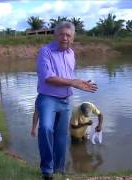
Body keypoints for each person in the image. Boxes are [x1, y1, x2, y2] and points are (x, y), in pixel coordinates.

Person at [31, 21, 97, 180]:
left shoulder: (71, 54)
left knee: (61, 137)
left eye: (69, 35)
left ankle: (59, 170)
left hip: (66, 100)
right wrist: (73, 82)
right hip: (47, 98)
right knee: (46, 128)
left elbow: (69, 76)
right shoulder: (45, 52)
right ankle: (47, 170)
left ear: (73, 38)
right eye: (62, 34)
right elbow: (48, 78)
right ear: (56, 35)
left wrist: (79, 82)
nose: (65, 38)